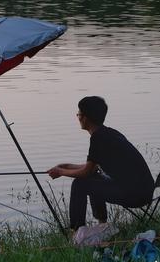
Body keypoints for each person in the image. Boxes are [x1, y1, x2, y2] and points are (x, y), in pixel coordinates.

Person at [47, 96, 154, 230]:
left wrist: (61, 172)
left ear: (85, 118)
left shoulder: (98, 139)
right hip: (145, 191)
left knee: (80, 184)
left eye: (78, 114)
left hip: (135, 195)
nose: (78, 117)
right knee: (91, 179)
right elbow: (92, 167)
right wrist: (65, 166)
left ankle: (76, 231)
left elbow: (86, 171)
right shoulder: (109, 134)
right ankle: (102, 224)